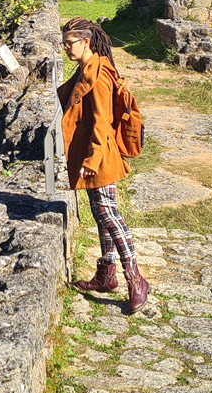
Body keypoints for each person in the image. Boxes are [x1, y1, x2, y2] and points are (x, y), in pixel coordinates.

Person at [59, 17, 149, 313]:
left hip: (99, 153)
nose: (65, 48)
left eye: (69, 43)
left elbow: (102, 121)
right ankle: (106, 274)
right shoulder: (87, 68)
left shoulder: (97, 74)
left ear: (85, 42)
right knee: (100, 212)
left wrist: (91, 160)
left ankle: (135, 280)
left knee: (109, 214)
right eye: (64, 43)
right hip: (91, 151)